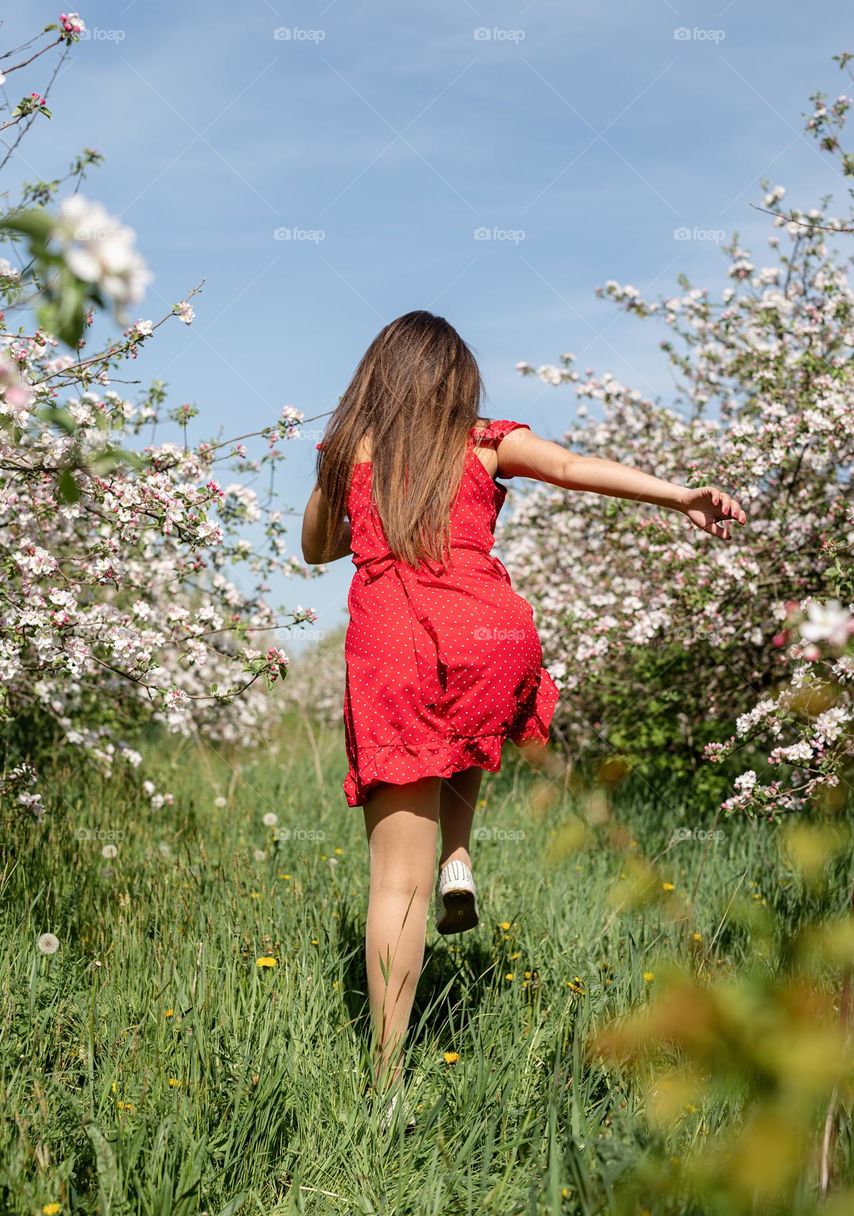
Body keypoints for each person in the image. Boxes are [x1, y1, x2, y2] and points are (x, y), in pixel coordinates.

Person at [301, 309, 746, 1129]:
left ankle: (387, 1083)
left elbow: (317, 550)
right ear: (458, 384)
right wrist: (680, 494)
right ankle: (461, 855)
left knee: (395, 880)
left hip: (394, 631)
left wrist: (335, 476)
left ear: (377, 376)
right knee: (472, 704)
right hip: (489, 625)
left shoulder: (350, 453)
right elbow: (573, 467)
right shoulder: (482, 441)